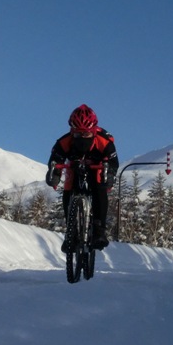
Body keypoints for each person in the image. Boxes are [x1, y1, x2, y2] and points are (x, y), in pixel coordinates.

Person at [46, 104, 119, 251]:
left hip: (97, 166)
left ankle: (99, 229)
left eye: (86, 134)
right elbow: (55, 161)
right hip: (75, 165)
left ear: (93, 131)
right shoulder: (64, 142)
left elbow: (112, 163)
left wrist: (109, 174)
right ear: (72, 132)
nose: (82, 138)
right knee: (68, 187)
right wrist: (54, 174)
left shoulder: (104, 141)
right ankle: (71, 233)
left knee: (99, 184)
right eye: (78, 135)